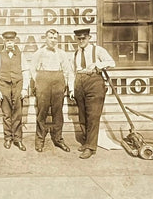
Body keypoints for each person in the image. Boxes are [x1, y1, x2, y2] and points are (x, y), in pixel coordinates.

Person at [71, 27, 115, 159]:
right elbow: (73, 72)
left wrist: (97, 65)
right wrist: (72, 89)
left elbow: (112, 62)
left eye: (84, 38)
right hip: (79, 83)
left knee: (93, 116)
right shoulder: (75, 53)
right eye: (78, 38)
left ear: (89, 38)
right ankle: (86, 142)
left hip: (94, 83)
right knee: (83, 116)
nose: (81, 40)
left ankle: (91, 147)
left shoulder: (98, 50)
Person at [29, 29, 74, 153]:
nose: (53, 40)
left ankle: (58, 138)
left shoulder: (62, 54)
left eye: (55, 38)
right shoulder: (39, 53)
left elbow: (67, 71)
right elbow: (32, 69)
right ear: (45, 38)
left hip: (58, 83)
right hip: (43, 82)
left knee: (58, 112)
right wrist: (39, 81)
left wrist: (65, 85)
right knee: (42, 112)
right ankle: (40, 139)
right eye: (50, 38)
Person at [0, 30, 29, 150]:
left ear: (15, 41)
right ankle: (8, 138)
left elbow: (26, 72)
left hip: (17, 85)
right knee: (6, 114)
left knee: (17, 114)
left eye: (11, 41)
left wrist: (24, 88)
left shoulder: (21, 55)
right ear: (4, 42)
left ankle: (18, 139)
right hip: (4, 86)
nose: (10, 43)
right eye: (7, 41)